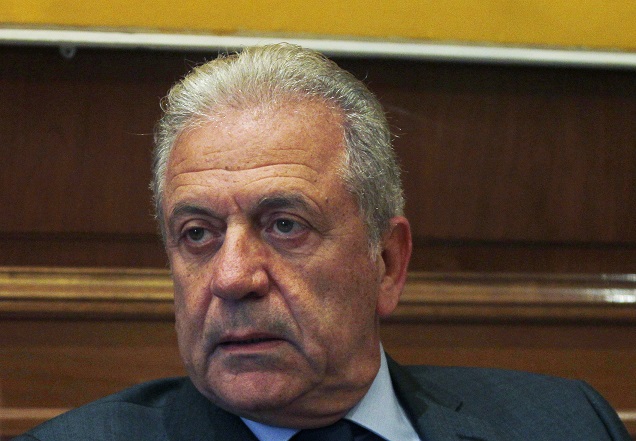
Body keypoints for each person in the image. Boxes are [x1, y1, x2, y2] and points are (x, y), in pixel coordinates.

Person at [15, 43, 630, 441]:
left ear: (386, 263)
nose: (231, 277)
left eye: (285, 225)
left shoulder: (565, 423)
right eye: (197, 234)